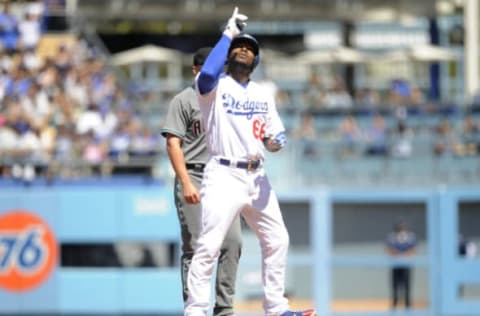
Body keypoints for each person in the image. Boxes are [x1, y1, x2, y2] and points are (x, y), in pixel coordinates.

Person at [184, 7, 316, 316]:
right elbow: (205, 76)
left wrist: (275, 142)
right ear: (228, 56)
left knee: (277, 239)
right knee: (209, 245)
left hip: (257, 176)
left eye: (250, 49)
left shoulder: (262, 92)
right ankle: (195, 310)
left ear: (255, 61)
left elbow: (275, 136)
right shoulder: (215, 87)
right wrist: (229, 33)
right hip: (224, 173)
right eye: (239, 47)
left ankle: (276, 308)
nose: (244, 50)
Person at [161, 47, 242, 316]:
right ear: (196, 70)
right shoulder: (183, 100)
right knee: (196, 247)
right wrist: (185, 182)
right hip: (194, 173)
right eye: (208, 67)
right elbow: (173, 143)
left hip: (224, 177)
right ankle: (195, 310)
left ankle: (224, 309)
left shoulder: (229, 98)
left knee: (232, 243)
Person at [385, 219, 417, 310]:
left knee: (407, 287)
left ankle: (408, 307)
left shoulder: (411, 237)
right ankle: (394, 306)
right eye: (400, 226)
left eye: (403, 226)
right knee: (395, 287)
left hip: (406, 265)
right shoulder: (392, 237)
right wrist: (399, 255)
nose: (402, 228)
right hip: (395, 265)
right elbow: (389, 249)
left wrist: (403, 256)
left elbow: (413, 250)